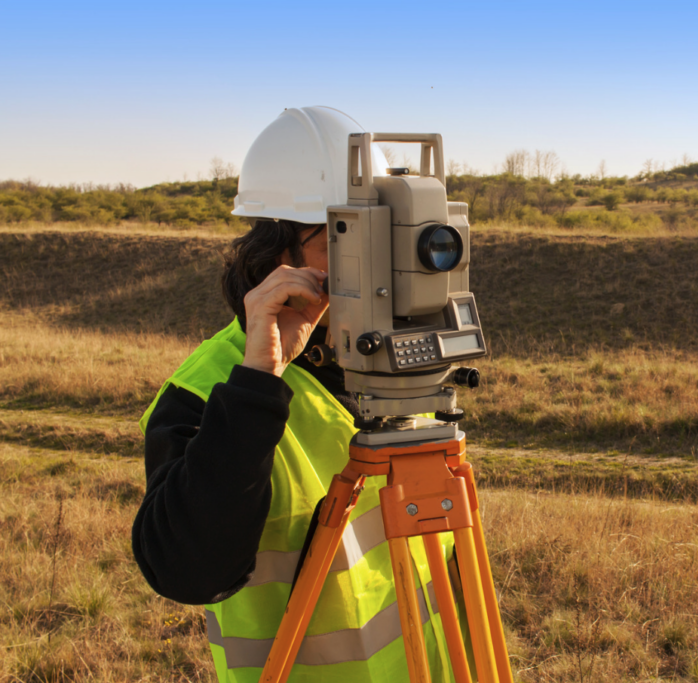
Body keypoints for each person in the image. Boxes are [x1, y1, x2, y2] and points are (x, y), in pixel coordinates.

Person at [132, 107, 457, 683]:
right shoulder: (207, 390)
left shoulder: (396, 374)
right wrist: (260, 380)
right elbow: (184, 571)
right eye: (349, 236)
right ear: (280, 255)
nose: (382, 264)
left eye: (387, 236)